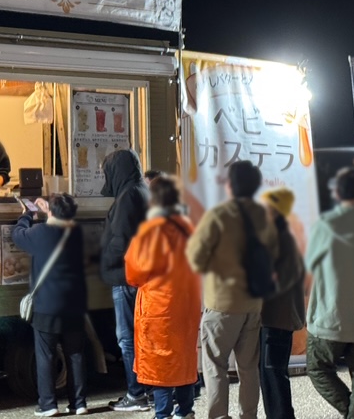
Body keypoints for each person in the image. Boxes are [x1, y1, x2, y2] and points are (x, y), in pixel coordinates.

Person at [186, 160, 278, 419]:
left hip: (222, 304)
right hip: (253, 304)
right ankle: (248, 415)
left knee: (215, 366)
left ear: (230, 185)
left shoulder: (218, 215)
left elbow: (195, 258)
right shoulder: (264, 216)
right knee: (248, 368)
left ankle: (219, 416)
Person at [305, 168, 354, 419]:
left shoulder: (325, 225)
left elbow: (310, 264)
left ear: (337, 193)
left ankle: (352, 413)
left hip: (331, 315)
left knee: (318, 368)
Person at [125, 177, 201, 419]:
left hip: (159, 307)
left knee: (161, 363)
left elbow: (133, 272)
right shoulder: (188, 227)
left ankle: (163, 413)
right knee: (183, 357)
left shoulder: (150, 231)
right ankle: (186, 410)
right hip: (187, 305)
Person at [11, 194, 88, 417]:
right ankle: (79, 404)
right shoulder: (76, 234)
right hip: (75, 304)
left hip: (47, 306)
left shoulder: (41, 232)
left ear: (51, 212)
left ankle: (48, 405)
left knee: (46, 355)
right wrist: (51, 211)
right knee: (76, 354)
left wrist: (27, 215)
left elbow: (17, 234)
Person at [99, 149, 150, 412]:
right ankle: (147, 388)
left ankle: (136, 393)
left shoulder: (128, 196)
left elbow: (120, 239)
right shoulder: (142, 190)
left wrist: (104, 261)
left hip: (125, 275)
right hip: (140, 274)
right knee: (141, 335)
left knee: (127, 338)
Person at [258, 187, 305, 419]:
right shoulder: (285, 236)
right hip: (281, 320)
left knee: (273, 376)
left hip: (274, 320)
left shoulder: (275, 239)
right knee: (275, 374)